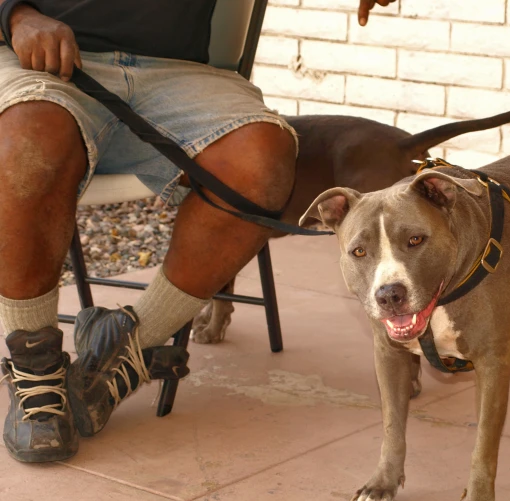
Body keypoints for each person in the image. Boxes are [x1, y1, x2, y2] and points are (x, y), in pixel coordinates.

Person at [0, 0, 396, 463]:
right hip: (39, 62)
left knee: (261, 161)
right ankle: (36, 371)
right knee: (26, 143)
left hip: (179, 74)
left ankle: (125, 347)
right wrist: (16, 15)